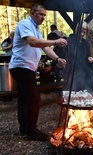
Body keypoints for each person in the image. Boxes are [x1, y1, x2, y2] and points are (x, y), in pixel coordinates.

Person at [9, 3, 67, 141]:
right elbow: (32, 42)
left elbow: (45, 48)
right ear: (32, 13)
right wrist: (56, 42)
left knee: (24, 98)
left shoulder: (36, 29)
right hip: (21, 67)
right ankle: (31, 130)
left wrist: (57, 58)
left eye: (44, 15)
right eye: (41, 14)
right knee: (35, 99)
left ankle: (24, 128)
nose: (43, 17)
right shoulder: (25, 24)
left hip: (27, 68)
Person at [58, 22, 93, 92]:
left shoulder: (86, 43)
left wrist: (89, 58)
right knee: (71, 90)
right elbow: (62, 53)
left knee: (81, 90)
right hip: (70, 70)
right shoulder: (70, 40)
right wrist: (61, 47)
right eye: (81, 29)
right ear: (77, 29)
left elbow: (87, 55)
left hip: (82, 71)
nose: (83, 31)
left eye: (85, 30)